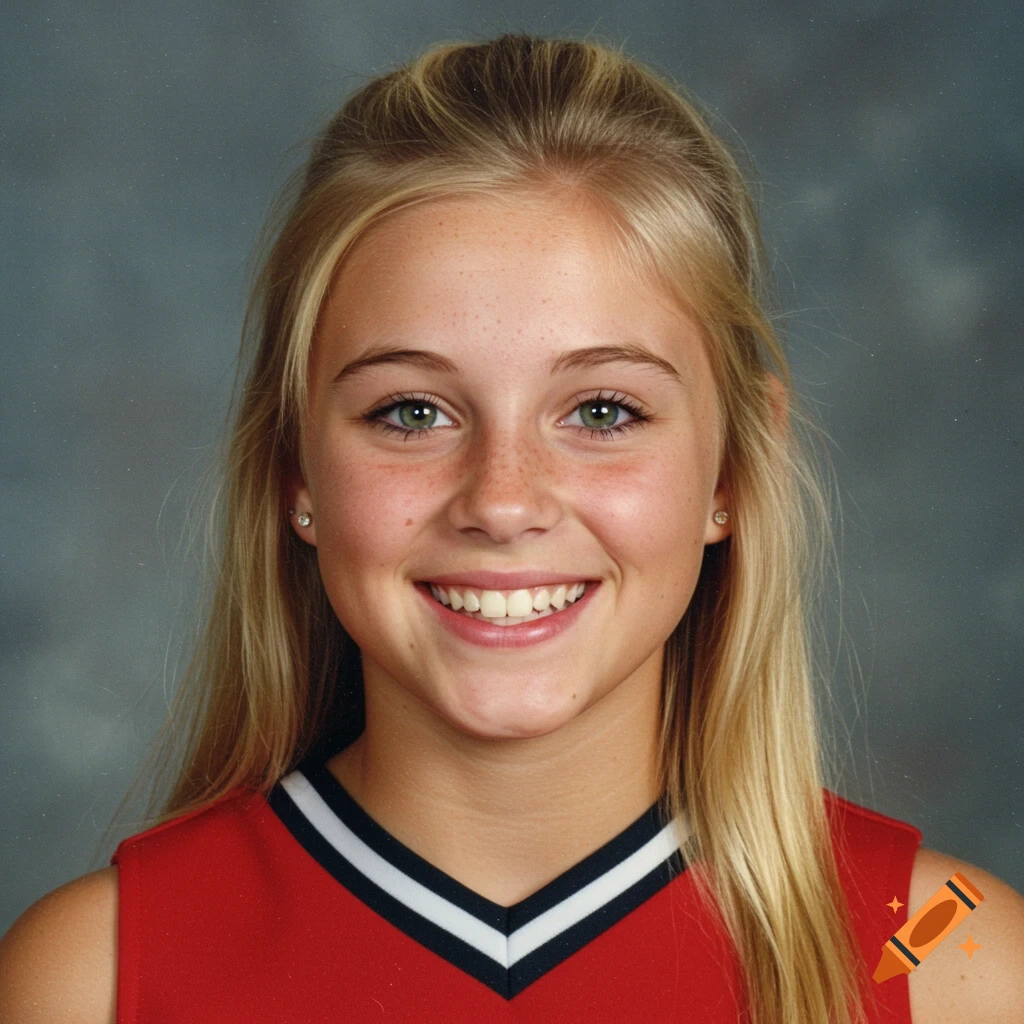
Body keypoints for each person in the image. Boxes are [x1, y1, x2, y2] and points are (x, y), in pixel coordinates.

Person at [0, 32, 1021, 1024]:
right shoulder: (94, 975)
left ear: (735, 468)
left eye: (602, 411)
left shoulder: (947, 955)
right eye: (411, 411)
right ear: (293, 468)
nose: (500, 500)